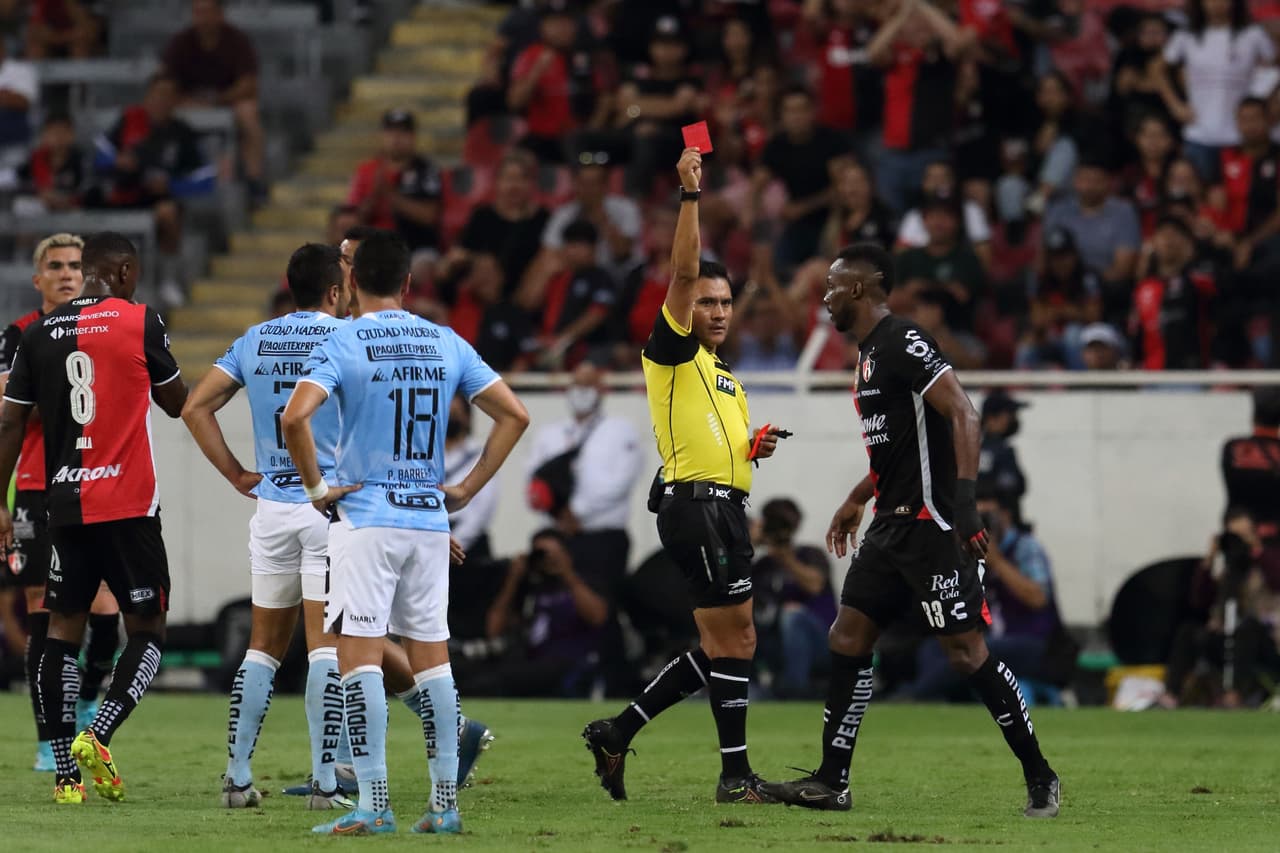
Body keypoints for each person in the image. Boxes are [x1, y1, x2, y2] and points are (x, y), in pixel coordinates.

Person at [760, 242, 1059, 818]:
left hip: (933, 528)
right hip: (888, 526)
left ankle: (1041, 776)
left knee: (967, 654)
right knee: (847, 638)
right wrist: (854, 498)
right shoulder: (870, 355)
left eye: (829, 286)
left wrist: (967, 505)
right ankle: (831, 781)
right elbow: (898, 450)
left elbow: (964, 413)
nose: (822, 297)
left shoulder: (901, 339)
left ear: (857, 288)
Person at [283, 230, 529, 835]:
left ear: (353, 283)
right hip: (427, 520)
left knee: (358, 658)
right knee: (433, 663)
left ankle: (373, 803)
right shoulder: (445, 341)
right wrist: (465, 489)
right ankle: (444, 806)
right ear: (410, 284)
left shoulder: (344, 339)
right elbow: (514, 415)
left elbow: (294, 417)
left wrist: (317, 491)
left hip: (365, 520)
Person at [582, 147, 788, 805]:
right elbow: (681, 268)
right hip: (696, 508)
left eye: (726, 301)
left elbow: (705, 440)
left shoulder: (724, 375)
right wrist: (691, 196)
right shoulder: (670, 350)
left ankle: (619, 729)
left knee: (728, 641)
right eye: (707, 300)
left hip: (720, 505)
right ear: (686, 305)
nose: (719, 310)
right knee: (738, 637)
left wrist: (749, 445)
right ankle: (734, 775)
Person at [0, 232, 188, 805]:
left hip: (62, 506)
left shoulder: (36, 333)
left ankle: (63, 775)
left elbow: (9, 424)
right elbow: (178, 402)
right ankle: (97, 733)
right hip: (129, 506)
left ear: (88, 273)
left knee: (59, 629)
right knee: (149, 628)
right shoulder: (140, 319)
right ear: (125, 272)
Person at [181, 244, 356, 810]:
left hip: (273, 510)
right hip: (328, 506)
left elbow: (194, 408)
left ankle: (236, 778)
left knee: (263, 649)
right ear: (334, 291)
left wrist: (236, 473)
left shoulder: (255, 339)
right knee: (326, 649)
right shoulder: (349, 339)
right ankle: (326, 782)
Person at [0, 233, 121, 774]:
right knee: (42, 611)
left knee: (107, 613)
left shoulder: (104, 326)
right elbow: (7, 412)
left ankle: (89, 698)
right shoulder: (20, 335)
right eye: (57, 266)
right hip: (36, 486)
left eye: (76, 264)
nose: (69, 273)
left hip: (97, 482)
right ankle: (51, 737)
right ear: (39, 279)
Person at [898, 487, 1060, 701]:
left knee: (976, 652)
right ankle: (935, 699)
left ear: (1005, 515)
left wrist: (997, 561)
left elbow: (1038, 598)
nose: (980, 525)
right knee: (932, 648)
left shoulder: (1025, 548)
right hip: (987, 638)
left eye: (986, 518)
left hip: (1033, 642)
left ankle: (917, 696)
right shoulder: (965, 552)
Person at [526, 362, 642, 583]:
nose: (581, 392)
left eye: (588, 385)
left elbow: (620, 483)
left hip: (603, 535)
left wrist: (577, 512)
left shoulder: (621, 430)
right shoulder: (549, 434)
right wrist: (558, 513)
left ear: (601, 390)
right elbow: (534, 481)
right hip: (555, 535)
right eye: (576, 385)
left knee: (600, 606)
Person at [476, 527, 611, 696]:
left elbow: (597, 617)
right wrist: (513, 578)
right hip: (532, 664)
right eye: (541, 554)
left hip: (572, 663)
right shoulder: (529, 587)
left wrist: (567, 574)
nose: (548, 561)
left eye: (554, 554)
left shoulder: (584, 583)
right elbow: (493, 629)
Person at [1156, 0, 1275, 183]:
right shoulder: (1186, 36)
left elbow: (1273, 67)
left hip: (1241, 137)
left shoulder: (1253, 35)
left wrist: (1265, 107)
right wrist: (1175, 105)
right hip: (1199, 134)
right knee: (1201, 197)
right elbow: (1157, 69)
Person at [160, 0, 266, 202]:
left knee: (249, 112)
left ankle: (254, 178)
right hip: (187, 103)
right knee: (161, 105)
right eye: (198, 12)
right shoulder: (181, 42)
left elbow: (248, 83)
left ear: (220, 14)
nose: (203, 18)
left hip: (227, 101)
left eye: (208, 12)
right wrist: (188, 100)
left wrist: (218, 100)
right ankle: (164, 172)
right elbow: (166, 81)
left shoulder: (237, 40)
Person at [751, 498, 836, 699]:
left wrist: (786, 558)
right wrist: (747, 543)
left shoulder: (811, 554)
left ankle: (794, 690)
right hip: (777, 644)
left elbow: (815, 585)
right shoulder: (762, 566)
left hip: (821, 643)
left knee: (792, 614)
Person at [346, 110, 444, 256]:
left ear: (413, 137)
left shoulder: (425, 170)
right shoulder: (366, 171)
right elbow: (352, 219)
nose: (396, 138)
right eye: (391, 132)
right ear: (382, 136)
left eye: (403, 132)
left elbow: (430, 216)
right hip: (371, 247)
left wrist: (391, 195)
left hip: (415, 247)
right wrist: (374, 196)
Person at [978, 389, 1028, 515]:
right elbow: (1011, 490)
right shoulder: (1002, 452)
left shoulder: (973, 449)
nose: (1013, 419)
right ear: (991, 419)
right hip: (1001, 526)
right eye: (1009, 415)